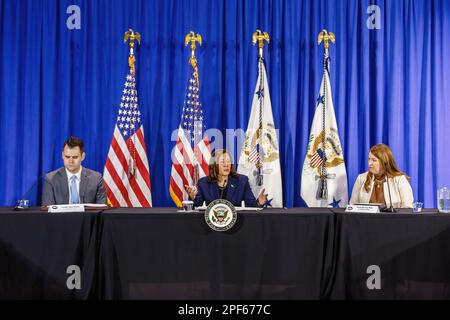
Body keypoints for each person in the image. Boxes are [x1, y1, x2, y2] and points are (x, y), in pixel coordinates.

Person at [185, 149, 267, 207]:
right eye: (222, 162)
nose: (226, 165)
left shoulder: (242, 181)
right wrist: (192, 198)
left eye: (228, 161)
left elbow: (251, 204)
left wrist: (259, 202)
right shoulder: (203, 183)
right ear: (214, 165)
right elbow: (197, 205)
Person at [42, 136, 107, 205]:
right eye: (67, 157)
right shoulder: (51, 179)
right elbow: (48, 211)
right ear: (62, 156)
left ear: (82, 156)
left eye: (75, 157)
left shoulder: (96, 179)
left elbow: (102, 209)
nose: (71, 161)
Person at [350, 143, 414, 208]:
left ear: (385, 163)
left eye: (374, 160)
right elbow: (352, 206)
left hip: (393, 218)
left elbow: (407, 207)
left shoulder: (400, 179)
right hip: (365, 218)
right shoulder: (361, 178)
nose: (369, 163)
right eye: (369, 159)